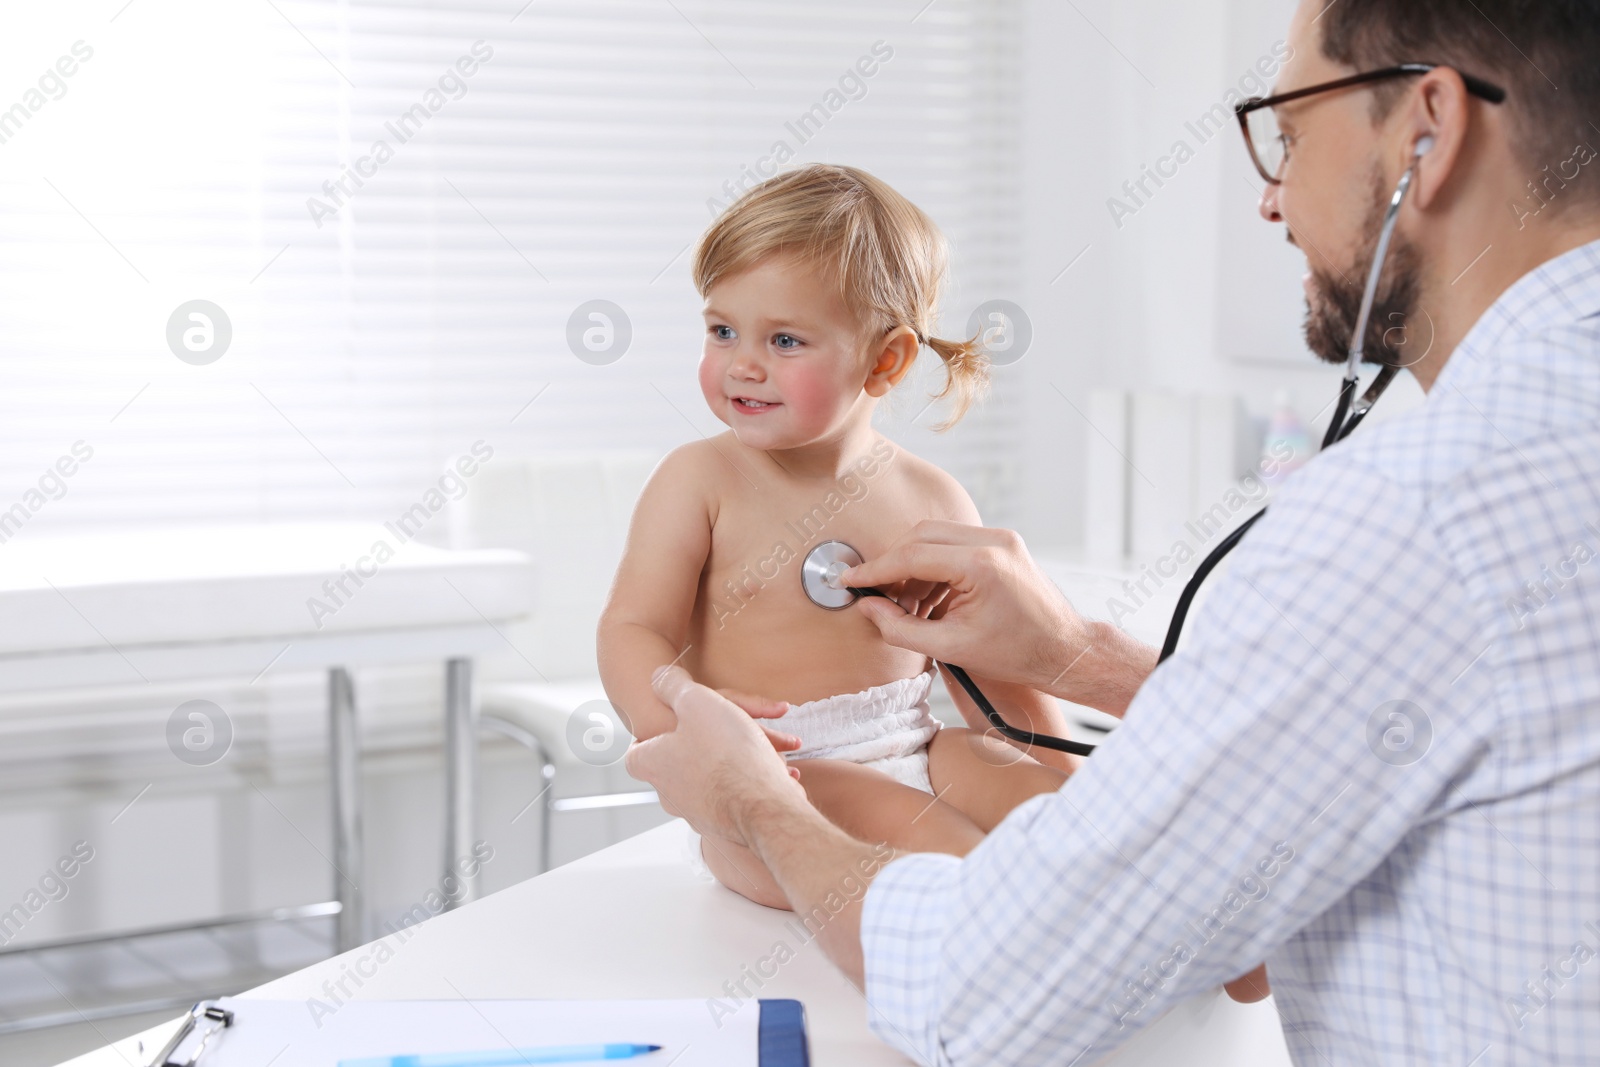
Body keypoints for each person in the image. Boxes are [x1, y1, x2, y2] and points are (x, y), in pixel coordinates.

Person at [626, 0, 1600, 1063]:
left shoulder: (1411, 506)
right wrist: (1078, 657)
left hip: (887, 816)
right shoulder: (1505, 469)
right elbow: (1371, 716)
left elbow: (982, 991)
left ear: (1427, 127)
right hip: (839, 765)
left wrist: (749, 802)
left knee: (1024, 802)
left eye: (1288, 133)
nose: (1272, 200)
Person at [597, 164, 1074, 912]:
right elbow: (633, 627)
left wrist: (1066, 779)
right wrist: (688, 724)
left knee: (1060, 821)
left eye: (784, 339)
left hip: (912, 739)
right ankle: (1017, 962)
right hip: (780, 769)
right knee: (960, 867)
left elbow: (992, 670)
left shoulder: (931, 496)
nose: (743, 364)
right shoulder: (701, 481)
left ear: (885, 359)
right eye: (722, 330)